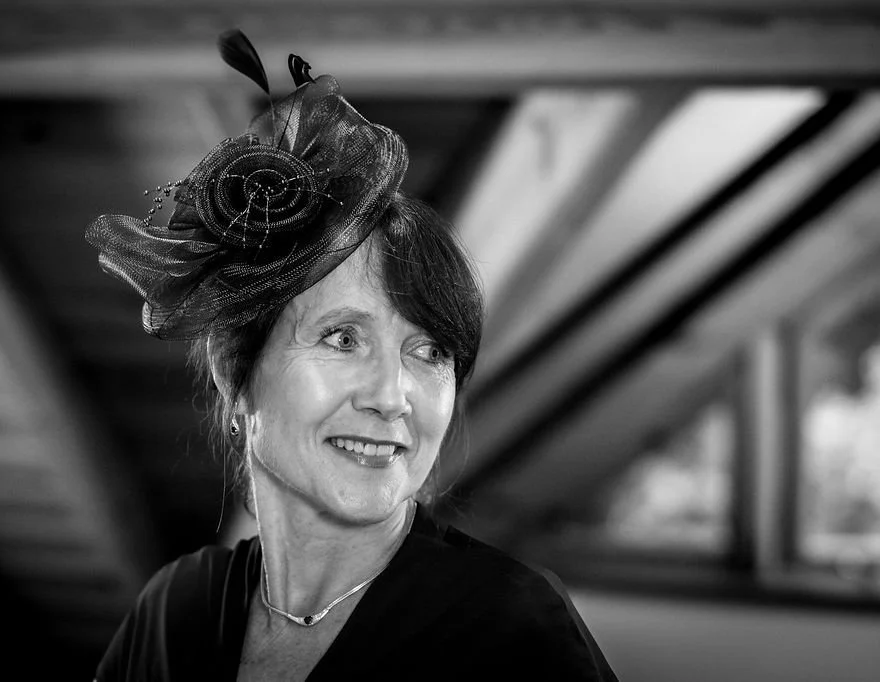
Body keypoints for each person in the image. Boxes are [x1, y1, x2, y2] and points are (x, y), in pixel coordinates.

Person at [86, 29, 618, 682]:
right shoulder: (174, 609)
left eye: (431, 351)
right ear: (235, 374)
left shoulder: (511, 627)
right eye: (343, 338)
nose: (392, 397)